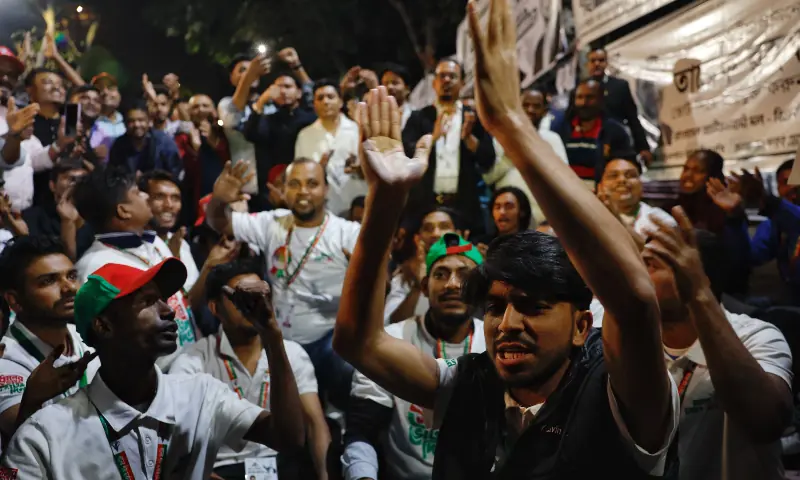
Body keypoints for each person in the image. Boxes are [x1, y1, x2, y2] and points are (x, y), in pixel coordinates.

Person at [334, 2, 679, 476]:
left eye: (532, 306)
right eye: (496, 307)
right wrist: (386, 198)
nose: (507, 325)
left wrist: (511, 123)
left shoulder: (620, 395)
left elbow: (635, 301)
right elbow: (358, 341)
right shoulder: (471, 384)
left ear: (582, 326)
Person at [1, 257, 307, 477]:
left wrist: (271, 336)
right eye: (147, 301)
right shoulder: (46, 434)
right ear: (104, 325)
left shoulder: (201, 396)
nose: (168, 311)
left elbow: (289, 438)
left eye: (163, 299)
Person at [592, 210, 793, 480]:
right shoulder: (618, 328)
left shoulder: (756, 336)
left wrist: (697, 295)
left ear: (700, 277)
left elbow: (767, 422)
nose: (636, 274)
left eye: (651, 264)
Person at [207, 158, 360, 409]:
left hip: (328, 341)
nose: (303, 191)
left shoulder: (348, 233)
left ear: (326, 189)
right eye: (294, 184)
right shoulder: (273, 223)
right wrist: (219, 200)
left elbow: (381, 281)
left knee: (345, 381)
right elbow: (219, 222)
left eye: (312, 184)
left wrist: (363, 274)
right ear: (283, 189)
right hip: (282, 340)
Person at [342, 233, 486, 480]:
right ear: (424, 287)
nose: (452, 284)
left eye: (464, 275)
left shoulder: (495, 343)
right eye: (441, 275)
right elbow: (362, 431)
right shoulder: (392, 340)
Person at [171, 260, 331, 480]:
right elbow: (177, 440)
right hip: (222, 469)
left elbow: (315, 423)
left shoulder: (291, 353)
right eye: (241, 297)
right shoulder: (192, 362)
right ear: (215, 308)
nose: (253, 304)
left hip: (280, 465)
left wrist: (325, 476)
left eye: (259, 296)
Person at [72, 165, 203, 368]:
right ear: (123, 210)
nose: (146, 196)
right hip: (154, 374)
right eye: (137, 192)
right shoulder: (95, 266)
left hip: (188, 361)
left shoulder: (155, 242)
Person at [0, 235, 99, 439]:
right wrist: (32, 401)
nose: (69, 288)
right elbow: (18, 434)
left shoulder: (90, 335)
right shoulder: (6, 360)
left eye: (71, 276)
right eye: (48, 281)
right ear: (15, 300)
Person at [402, 59, 495, 233]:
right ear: (434, 83)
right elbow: (405, 155)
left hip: (464, 206)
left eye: (452, 76)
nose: (446, 80)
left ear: (462, 83)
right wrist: (433, 137)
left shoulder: (474, 118)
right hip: (424, 204)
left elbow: (488, 160)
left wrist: (469, 139)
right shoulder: (419, 117)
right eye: (442, 76)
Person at [483, 88, 568, 224]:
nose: (530, 110)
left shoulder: (552, 139)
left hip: (543, 216)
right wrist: (508, 157)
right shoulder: (499, 138)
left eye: (536, 106)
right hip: (508, 218)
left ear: (545, 111)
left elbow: (565, 180)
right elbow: (488, 178)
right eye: (526, 105)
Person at [677, 149, 751, 295]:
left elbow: (739, 260)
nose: (688, 175)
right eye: (686, 169)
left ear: (713, 177)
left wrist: (733, 214)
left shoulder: (725, 211)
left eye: (698, 171)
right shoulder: (672, 208)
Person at [243, 72, 316, 209]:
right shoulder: (268, 119)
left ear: (299, 93)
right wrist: (261, 101)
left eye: (287, 87)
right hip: (274, 186)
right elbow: (251, 135)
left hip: (305, 182)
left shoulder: (311, 119)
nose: (283, 91)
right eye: (278, 88)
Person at [295, 79, 365, 216]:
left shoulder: (358, 130)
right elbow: (300, 174)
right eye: (320, 98)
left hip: (357, 204)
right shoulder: (305, 135)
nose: (325, 102)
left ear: (341, 102)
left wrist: (360, 168)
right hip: (324, 206)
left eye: (330, 97)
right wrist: (319, 169)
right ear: (314, 104)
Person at [384, 207, 461, 325]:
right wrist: (417, 287)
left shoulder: (473, 272)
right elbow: (390, 324)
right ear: (418, 238)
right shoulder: (407, 274)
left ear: (458, 234)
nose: (435, 234)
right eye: (428, 229)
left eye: (444, 227)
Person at [551, 78, 632, 186]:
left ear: (601, 100)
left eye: (590, 97)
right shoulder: (560, 128)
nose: (584, 103)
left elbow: (625, 166)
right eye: (580, 97)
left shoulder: (615, 131)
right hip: (564, 189)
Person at [587, 48, 652, 165]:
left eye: (601, 60)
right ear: (587, 64)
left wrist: (643, 147)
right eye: (593, 61)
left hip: (618, 145)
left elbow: (632, 118)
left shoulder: (620, 86)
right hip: (590, 144)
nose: (597, 64)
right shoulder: (580, 89)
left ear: (606, 63)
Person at [22, 158, 94, 261]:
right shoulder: (33, 217)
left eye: (82, 180)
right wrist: (67, 222)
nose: (76, 184)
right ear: (53, 186)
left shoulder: (95, 217)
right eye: (71, 179)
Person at [597, 155, 674, 236]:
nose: (622, 180)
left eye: (630, 175)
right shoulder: (591, 218)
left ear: (641, 186)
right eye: (613, 175)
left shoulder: (660, 221)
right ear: (600, 187)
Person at [108, 101, 182, 178]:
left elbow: (175, 173)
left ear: (149, 121)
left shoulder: (164, 142)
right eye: (131, 121)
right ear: (125, 124)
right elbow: (113, 175)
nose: (136, 125)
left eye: (141, 120)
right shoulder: (119, 145)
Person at [381, 64, 414, 129]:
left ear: (407, 89)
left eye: (395, 83)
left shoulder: (417, 115)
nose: (389, 87)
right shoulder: (377, 115)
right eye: (385, 83)